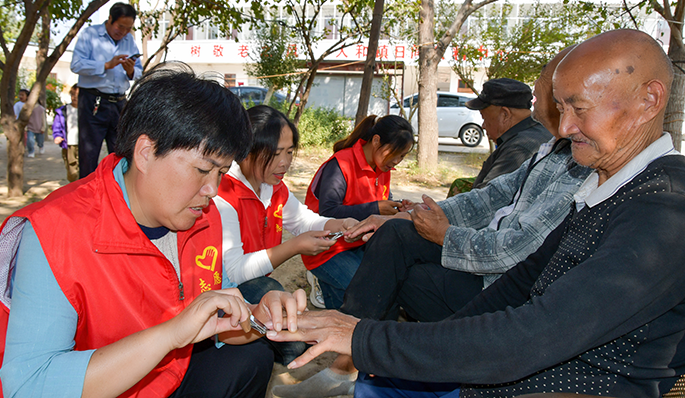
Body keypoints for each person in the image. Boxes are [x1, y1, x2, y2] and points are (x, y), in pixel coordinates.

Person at [270, 29, 685, 398]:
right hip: (521, 355)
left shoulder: (665, 205)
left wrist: (368, 338)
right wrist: (393, 344)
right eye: (559, 105)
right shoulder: (603, 182)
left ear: (649, 101)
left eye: (578, 108)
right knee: (384, 376)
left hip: (560, 376)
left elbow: (535, 330)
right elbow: (522, 280)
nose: (564, 127)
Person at [0, 63, 306, 398]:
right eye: (202, 170)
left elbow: (217, 324)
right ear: (145, 152)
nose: (212, 189)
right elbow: (27, 385)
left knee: (250, 356)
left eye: (222, 173)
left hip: (162, 378)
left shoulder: (204, 218)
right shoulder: (55, 232)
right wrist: (171, 334)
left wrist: (258, 317)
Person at [214, 104, 357, 364]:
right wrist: (294, 247)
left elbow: (303, 220)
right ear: (246, 151)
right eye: (275, 153)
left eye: (290, 152)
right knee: (282, 323)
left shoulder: (272, 186)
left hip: (253, 281)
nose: (286, 162)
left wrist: (340, 224)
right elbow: (233, 272)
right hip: (226, 287)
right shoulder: (223, 193)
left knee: (290, 334)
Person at [303, 114, 414, 309]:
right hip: (326, 249)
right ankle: (322, 281)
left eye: (403, 156)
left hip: (358, 245)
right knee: (364, 290)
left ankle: (330, 295)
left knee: (386, 286)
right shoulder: (341, 164)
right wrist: (376, 208)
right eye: (395, 152)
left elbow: (378, 200)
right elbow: (327, 212)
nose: (397, 161)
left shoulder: (382, 167)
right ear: (376, 140)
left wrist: (394, 208)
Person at [71, 1, 143, 179]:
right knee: (88, 154)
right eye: (120, 26)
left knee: (122, 153)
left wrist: (130, 70)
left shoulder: (129, 41)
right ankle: (87, 200)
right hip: (93, 102)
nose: (123, 32)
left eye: (128, 28)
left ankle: (120, 197)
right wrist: (105, 65)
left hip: (119, 103)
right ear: (110, 19)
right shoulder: (90, 35)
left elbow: (139, 72)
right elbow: (76, 64)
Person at [447, 78, 552, 196]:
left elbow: (484, 200)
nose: (483, 126)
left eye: (484, 118)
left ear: (505, 115)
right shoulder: (537, 132)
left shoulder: (519, 149)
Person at [52, 84, 80, 181]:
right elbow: (57, 125)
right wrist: (57, 136)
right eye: (73, 95)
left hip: (83, 144)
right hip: (69, 145)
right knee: (72, 169)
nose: (75, 97)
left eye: (78, 95)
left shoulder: (86, 110)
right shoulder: (63, 111)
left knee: (85, 168)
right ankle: (74, 186)